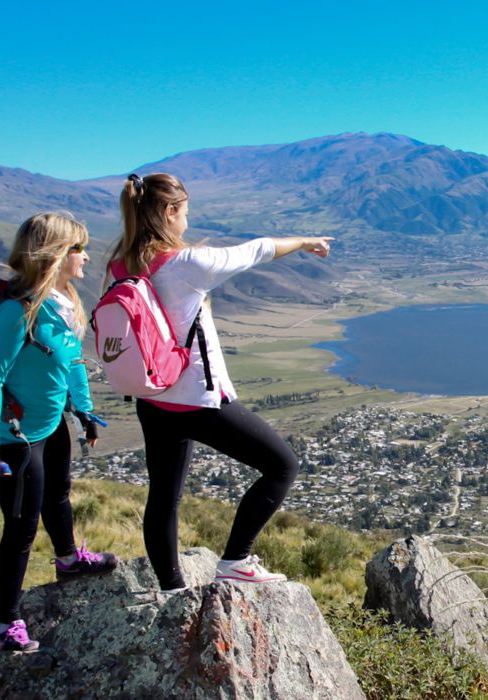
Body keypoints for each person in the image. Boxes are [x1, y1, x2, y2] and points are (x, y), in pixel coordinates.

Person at [108, 173, 332, 593]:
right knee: (282, 465)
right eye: (185, 214)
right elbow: (258, 250)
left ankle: (172, 587)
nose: (187, 224)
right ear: (170, 212)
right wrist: (304, 241)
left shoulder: (121, 263)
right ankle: (235, 560)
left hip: (152, 397)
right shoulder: (190, 264)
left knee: (164, 497)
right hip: (196, 400)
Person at [0, 213, 117, 653]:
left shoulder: (64, 302)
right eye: (78, 249)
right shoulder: (16, 312)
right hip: (15, 439)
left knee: (58, 494)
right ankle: (7, 622)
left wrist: (85, 412)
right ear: (55, 255)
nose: (86, 256)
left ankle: (69, 560)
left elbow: (72, 361)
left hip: (52, 425)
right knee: (20, 528)